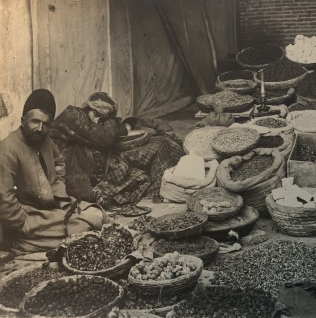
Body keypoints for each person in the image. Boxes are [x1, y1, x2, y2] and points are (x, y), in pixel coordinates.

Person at [0, 89, 107, 254]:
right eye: (35, 121)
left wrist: (57, 190)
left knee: (98, 213)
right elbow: (4, 198)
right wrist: (23, 225)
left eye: (46, 124)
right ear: (23, 120)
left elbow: (59, 162)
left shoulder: (44, 140)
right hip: (25, 218)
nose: (39, 128)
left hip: (50, 206)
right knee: (83, 228)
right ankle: (18, 242)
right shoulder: (8, 148)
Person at [50, 92, 185, 208]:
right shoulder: (73, 115)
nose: (97, 120)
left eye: (102, 118)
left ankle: (161, 194)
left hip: (88, 169)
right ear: (87, 108)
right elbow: (104, 138)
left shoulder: (92, 123)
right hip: (69, 174)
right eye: (95, 114)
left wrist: (121, 125)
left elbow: (107, 134)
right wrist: (113, 122)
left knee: (142, 175)